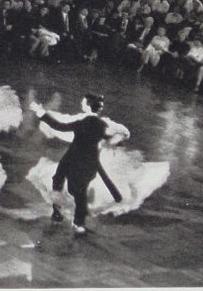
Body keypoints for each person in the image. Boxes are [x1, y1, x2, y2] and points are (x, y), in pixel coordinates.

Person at [25, 94, 168, 233]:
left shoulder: (82, 123)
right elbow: (121, 134)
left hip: (73, 160)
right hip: (89, 162)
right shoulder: (102, 124)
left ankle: (61, 213)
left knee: (61, 184)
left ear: (87, 106)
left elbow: (59, 126)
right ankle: (76, 221)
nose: (81, 104)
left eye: (83, 102)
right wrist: (111, 141)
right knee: (75, 189)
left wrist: (40, 112)